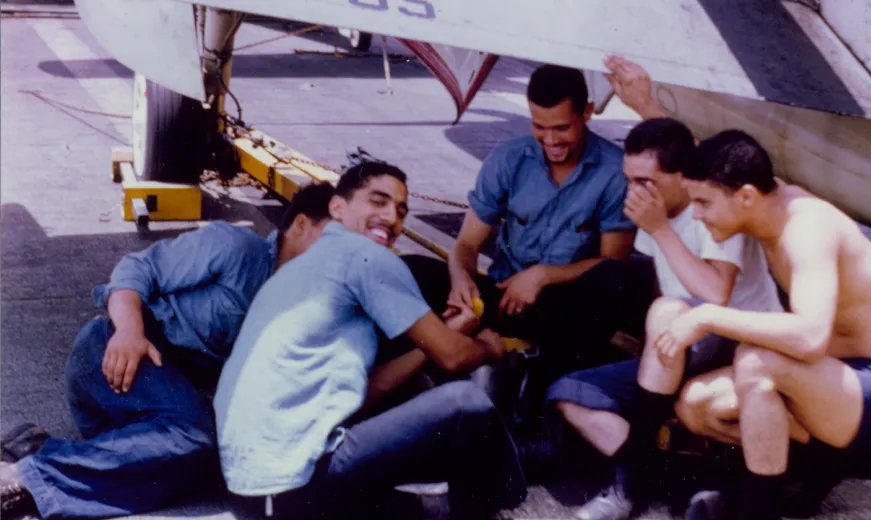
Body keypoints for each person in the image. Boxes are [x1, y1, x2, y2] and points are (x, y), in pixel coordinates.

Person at [0, 183, 337, 518]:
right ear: (301, 224)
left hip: (155, 419)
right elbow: (135, 270)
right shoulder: (235, 247)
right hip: (117, 361)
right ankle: (23, 479)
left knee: (218, 467)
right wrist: (130, 330)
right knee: (195, 436)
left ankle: (41, 450)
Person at [213, 161, 527, 520]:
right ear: (337, 208)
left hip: (256, 493)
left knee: (432, 509)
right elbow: (454, 357)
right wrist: (488, 345)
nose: (392, 216)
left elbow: (365, 390)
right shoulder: (365, 257)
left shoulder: (307, 265)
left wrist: (443, 340)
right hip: (296, 484)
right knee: (465, 404)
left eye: (401, 210)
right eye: (377, 201)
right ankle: (513, 486)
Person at [657, 130, 871, 520]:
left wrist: (707, 316)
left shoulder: (806, 229)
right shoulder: (763, 197)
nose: (696, 214)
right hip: (825, 385)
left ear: (746, 196)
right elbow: (726, 155)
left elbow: (811, 338)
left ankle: (758, 510)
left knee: (756, 362)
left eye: (703, 203)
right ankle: (805, 479)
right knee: (697, 405)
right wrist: (646, 105)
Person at [545, 115, 784, 520]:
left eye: (646, 181)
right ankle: (673, 481)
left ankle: (629, 487)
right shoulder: (654, 217)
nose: (634, 192)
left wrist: (660, 230)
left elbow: (714, 294)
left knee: (669, 312)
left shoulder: (712, 208)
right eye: (629, 179)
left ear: (680, 177)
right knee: (568, 394)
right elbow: (663, 288)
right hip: (679, 347)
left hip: (737, 341)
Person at [402, 63, 651, 420]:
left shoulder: (614, 172)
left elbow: (613, 261)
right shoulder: (508, 159)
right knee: (411, 270)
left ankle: (542, 398)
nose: (550, 140)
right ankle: (418, 373)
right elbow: (467, 245)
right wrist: (461, 281)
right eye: (539, 127)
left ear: (587, 113)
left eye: (562, 128)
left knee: (615, 282)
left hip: (564, 312)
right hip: (501, 299)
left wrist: (544, 275)